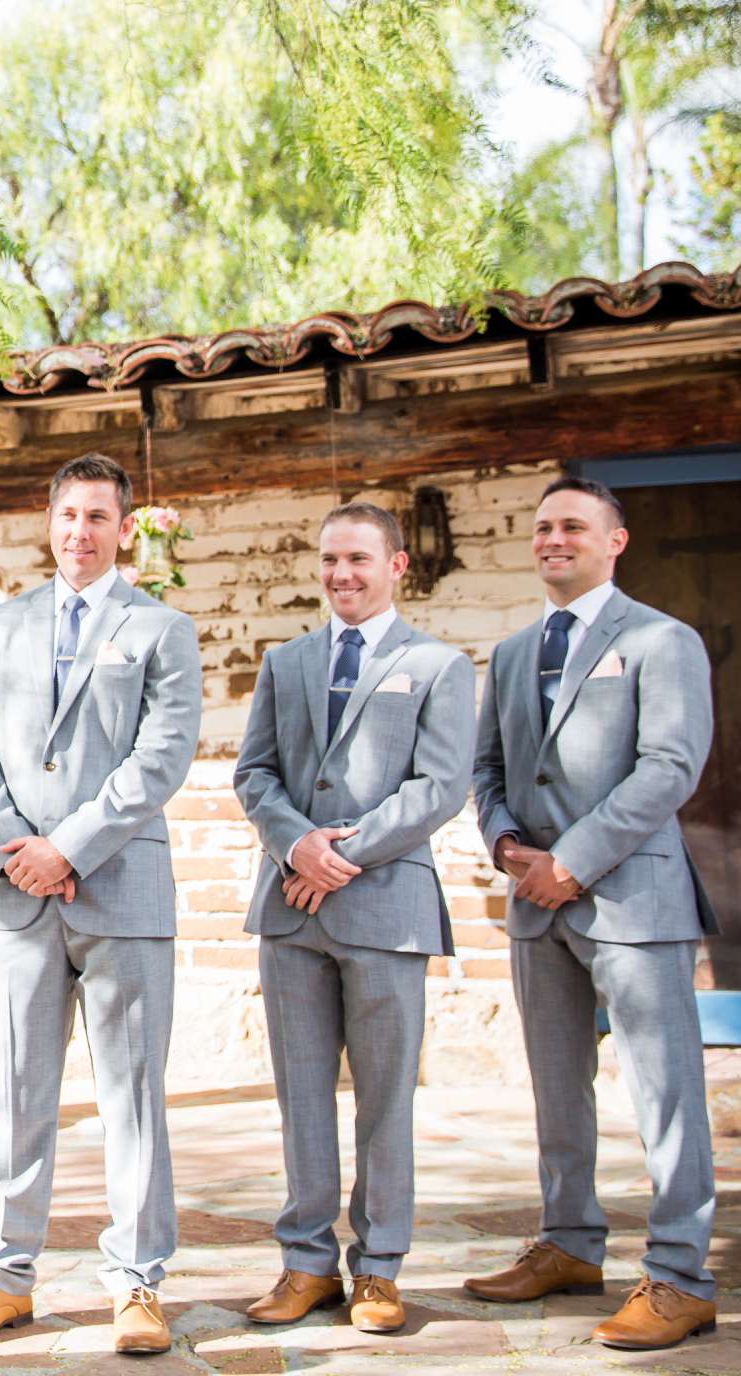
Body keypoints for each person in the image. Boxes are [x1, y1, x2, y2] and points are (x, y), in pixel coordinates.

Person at [0, 452, 201, 1357]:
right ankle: (5, 1275)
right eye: (68, 516)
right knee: (16, 1095)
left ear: (124, 528)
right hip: (15, 894)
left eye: (99, 517)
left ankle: (138, 1284)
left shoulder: (162, 630)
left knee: (133, 1097)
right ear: (47, 523)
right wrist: (21, 850)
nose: (81, 532)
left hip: (121, 892)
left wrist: (71, 849)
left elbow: (160, 760)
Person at [464, 475, 718, 1352]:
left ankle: (682, 1275)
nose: (552, 539)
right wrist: (506, 848)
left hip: (633, 900)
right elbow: (488, 771)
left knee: (666, 1093)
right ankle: (569, 1243)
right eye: (541, 528)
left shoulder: (660, 638)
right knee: (556, 1087)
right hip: (535, 904)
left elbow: (669, 767)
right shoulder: (508, 652)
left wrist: (572, 860)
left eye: (573, 525)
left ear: (616, 540)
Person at [232, 502, 472, 1335]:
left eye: (360, 560)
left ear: (397, 566)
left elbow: (439, 787)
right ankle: (305, 1264)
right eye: (331, 559)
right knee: (301, 1096)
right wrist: (295, 845)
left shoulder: (438, 665)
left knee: (383, 1100)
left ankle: (378, 1269)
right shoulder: (284, 661)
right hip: (292, 912)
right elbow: (255, 773)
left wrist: (345, 853)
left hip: (385, 907)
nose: (342, 574)